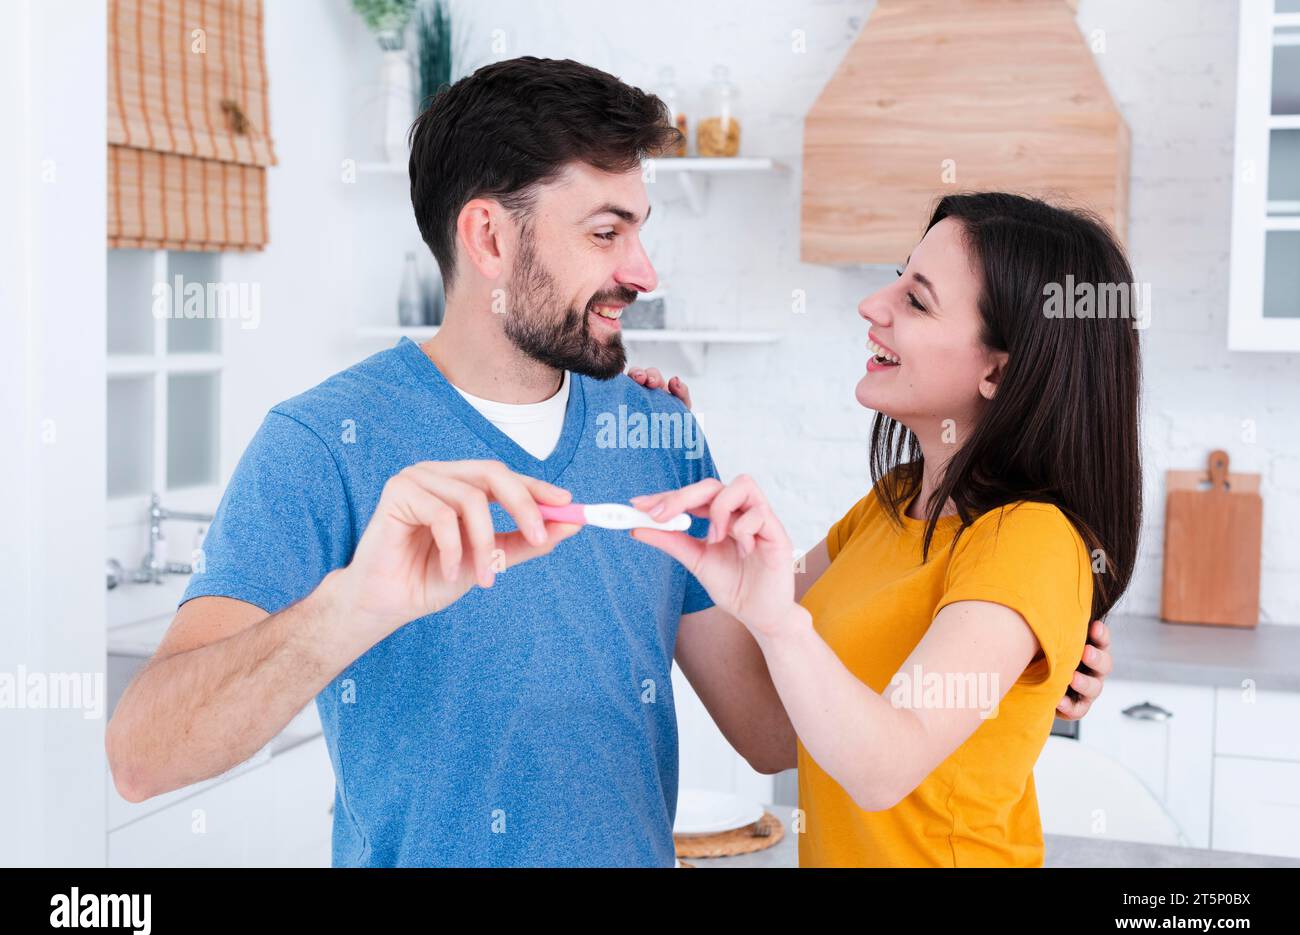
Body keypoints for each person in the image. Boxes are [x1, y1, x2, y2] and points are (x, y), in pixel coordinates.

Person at [106, 57, 1110, 868]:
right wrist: (353, 605)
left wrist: (1016, 662)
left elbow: (768, 732)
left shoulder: (658, 433)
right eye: (605, 232)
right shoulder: (326, 444)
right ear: (488, 237)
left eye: (642, 230)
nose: (643, 271)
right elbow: (144, 755)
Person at [630, 193, 1135, 866]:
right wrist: (669, 483)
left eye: (917, 299)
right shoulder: (893, 504)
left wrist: (781, 622)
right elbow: (767, 727)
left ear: (997, 370)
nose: (874, 305)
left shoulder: (1031, 541)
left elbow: (883, 766)